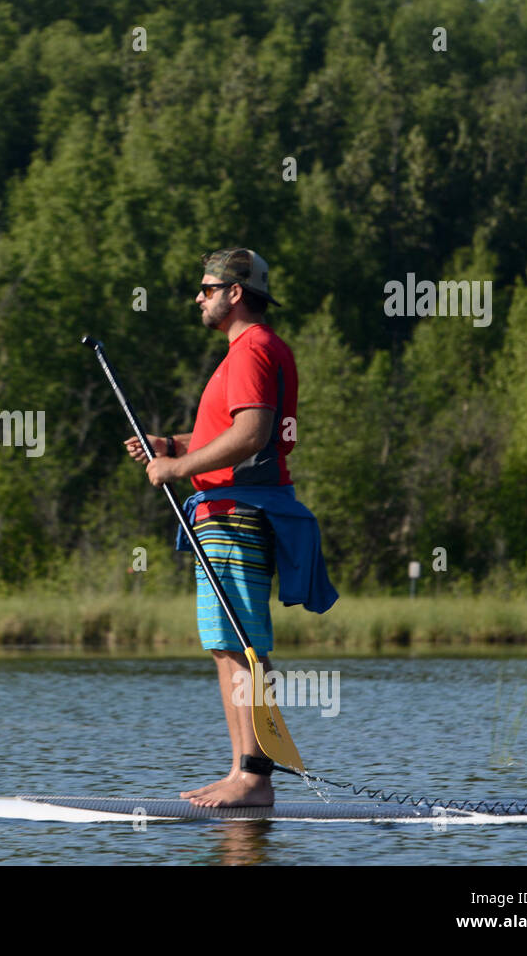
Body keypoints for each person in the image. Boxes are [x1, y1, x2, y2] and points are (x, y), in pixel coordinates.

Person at [125, 247, 336, 808]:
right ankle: (244, 769)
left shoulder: (250, 350)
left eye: (208, 287)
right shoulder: (253, 350)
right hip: (226, 511)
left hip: (236, 513)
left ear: (235, 293)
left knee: (242, 646)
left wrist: (175, 468)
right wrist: (172, 445)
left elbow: (252, 436)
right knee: (226, 644)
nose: (199, 296)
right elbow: (230, 435)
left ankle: (254, 777)